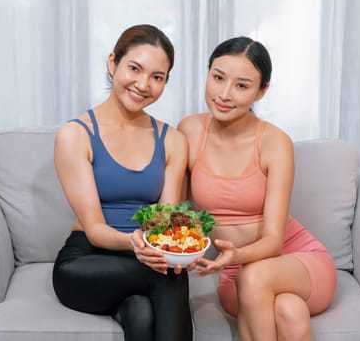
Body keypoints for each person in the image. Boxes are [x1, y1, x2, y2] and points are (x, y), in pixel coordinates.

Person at [178, 37, 337, 341]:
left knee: (256, 276)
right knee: (288, 310)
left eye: (242, 85)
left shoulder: (275, 142)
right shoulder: (190, 130)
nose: (224, 94)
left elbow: (274, 242)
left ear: (261, 91)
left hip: (299, 260)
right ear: (208, 73)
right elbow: (182, 215)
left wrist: (235, 253)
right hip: (234, 272)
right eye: (218, 77)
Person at [52, 24, 192, 341]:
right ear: (113, 62)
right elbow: (95, 230)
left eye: (157, 77)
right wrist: (135, 242)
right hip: (85, 262)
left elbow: (167, 221)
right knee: (165, 274)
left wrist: (180, 245)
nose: (143, 84)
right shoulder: (75, 135)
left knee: (141, 314)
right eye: (134, 68)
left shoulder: (172, 140)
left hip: (141, 259)